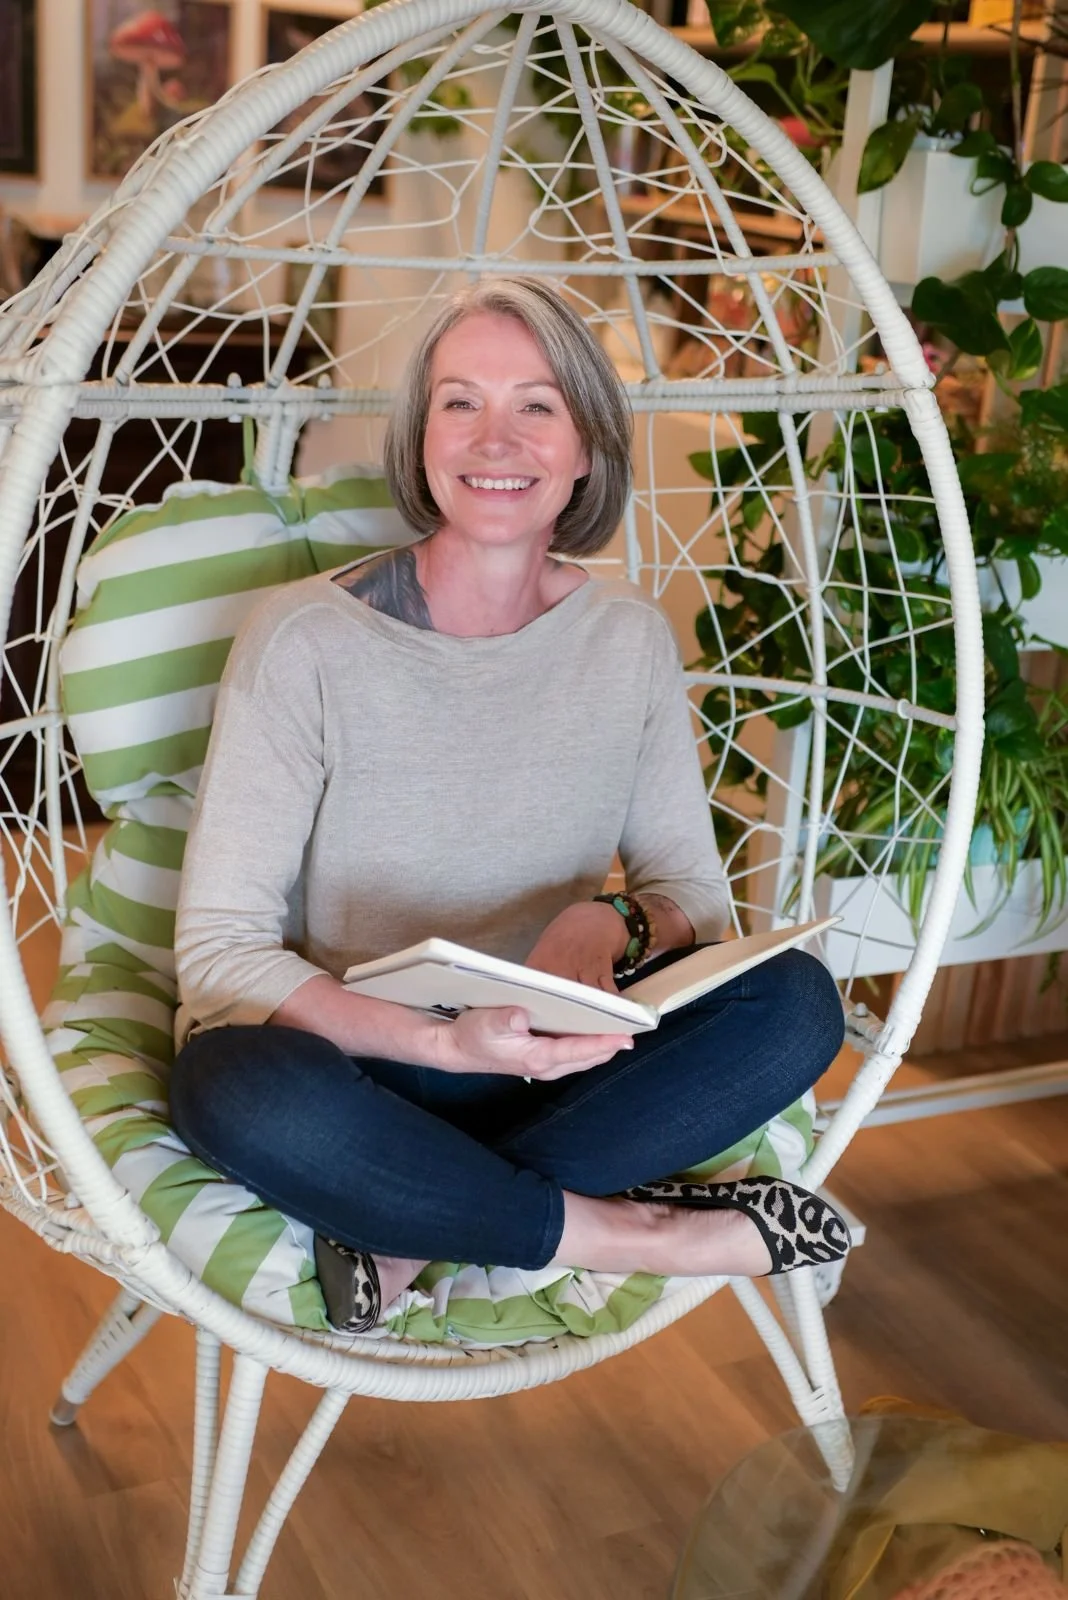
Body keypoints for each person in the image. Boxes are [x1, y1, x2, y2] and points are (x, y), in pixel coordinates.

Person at [171, 276, 848, 1333]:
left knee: (799, 1002)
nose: (497, 439)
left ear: (586, 449)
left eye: (537, 405)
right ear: (421, 438)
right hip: (370, 1069)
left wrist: (607, 919)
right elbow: (219, 956)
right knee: (228, 1084)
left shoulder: (627, 639)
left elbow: (693, 902)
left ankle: (406, 1221)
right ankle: (635, 1229)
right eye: (460, 402)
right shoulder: (304, 639)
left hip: (562, 1063)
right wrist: (443, 1045)